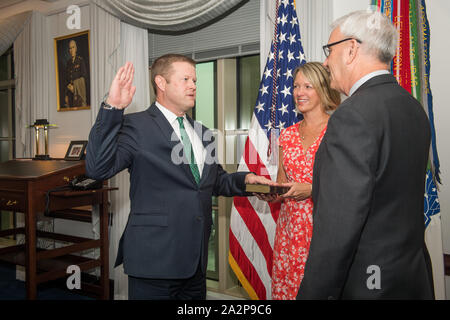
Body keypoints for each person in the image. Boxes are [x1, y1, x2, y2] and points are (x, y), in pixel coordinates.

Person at [85, 54, 274, 300]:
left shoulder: (202, 132)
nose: (193, 85)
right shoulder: (136, 125)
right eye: (185, 79)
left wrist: (245, 180)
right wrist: (112, 108)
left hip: (195, 262)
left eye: (194, 80)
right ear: (161, 83)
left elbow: (213, 181)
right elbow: (97, 168)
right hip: (154, 260)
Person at [296, 10, 434, 299]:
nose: (325, 61)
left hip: (368, 284)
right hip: (410, 278)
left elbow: (337, 230)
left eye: (329, 51)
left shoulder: (352, 116)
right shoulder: (413, 108)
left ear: (350, 50)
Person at [260, 62, 340, 300]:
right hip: (289, 231)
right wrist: (271, 193)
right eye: (296, 86)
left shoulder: (338, 129)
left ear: (323, 89)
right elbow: (282, 183)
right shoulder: (287, 134)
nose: (299, 92)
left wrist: (312, 190)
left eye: (307, 86)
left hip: (323, 228)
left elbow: (350, 186)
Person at [64, 39, 88, 108]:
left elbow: (84, 77)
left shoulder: (80, 60)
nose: (71, 50)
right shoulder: (68, 63)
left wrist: (75, 87)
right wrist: (66, 93)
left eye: (73, 47)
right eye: (70, 48)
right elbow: (66, 79)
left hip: (78, 94)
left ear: (76, 48)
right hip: (70, 94)